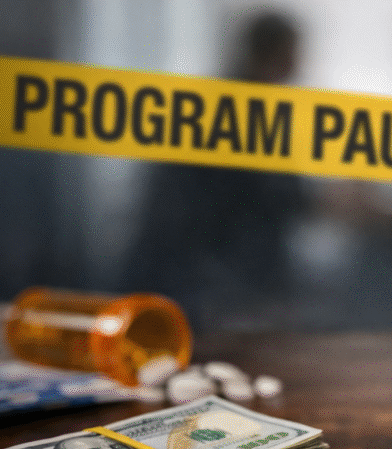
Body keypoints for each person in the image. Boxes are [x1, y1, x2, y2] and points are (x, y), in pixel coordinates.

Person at [121, 11, 308, 331]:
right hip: (198, 287)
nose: (298, 66)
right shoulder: (240, 111)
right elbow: (262, 197)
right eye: (294, 53)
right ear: (276, 53)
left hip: (195, 279)